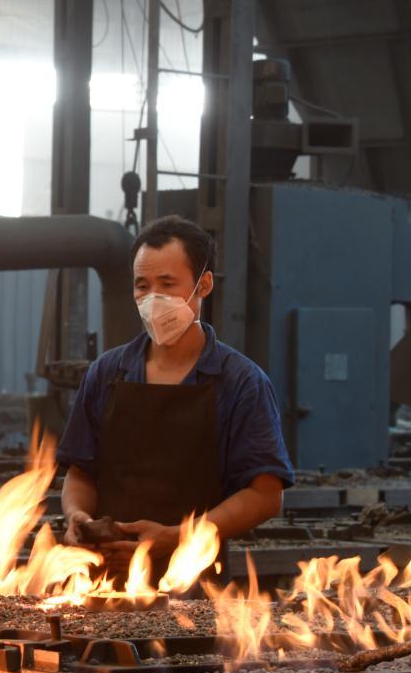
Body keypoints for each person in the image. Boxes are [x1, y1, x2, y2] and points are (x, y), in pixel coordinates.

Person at [58, 215, 292, 550]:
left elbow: (266, 494)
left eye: (168, 285)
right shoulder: (108, 372)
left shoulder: (241, 382)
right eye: (142, 286)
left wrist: (177, 538)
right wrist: (77, 514)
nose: (153, 298)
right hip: (104, 578)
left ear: (204, 284)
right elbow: (80, 472)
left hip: (195, 585)